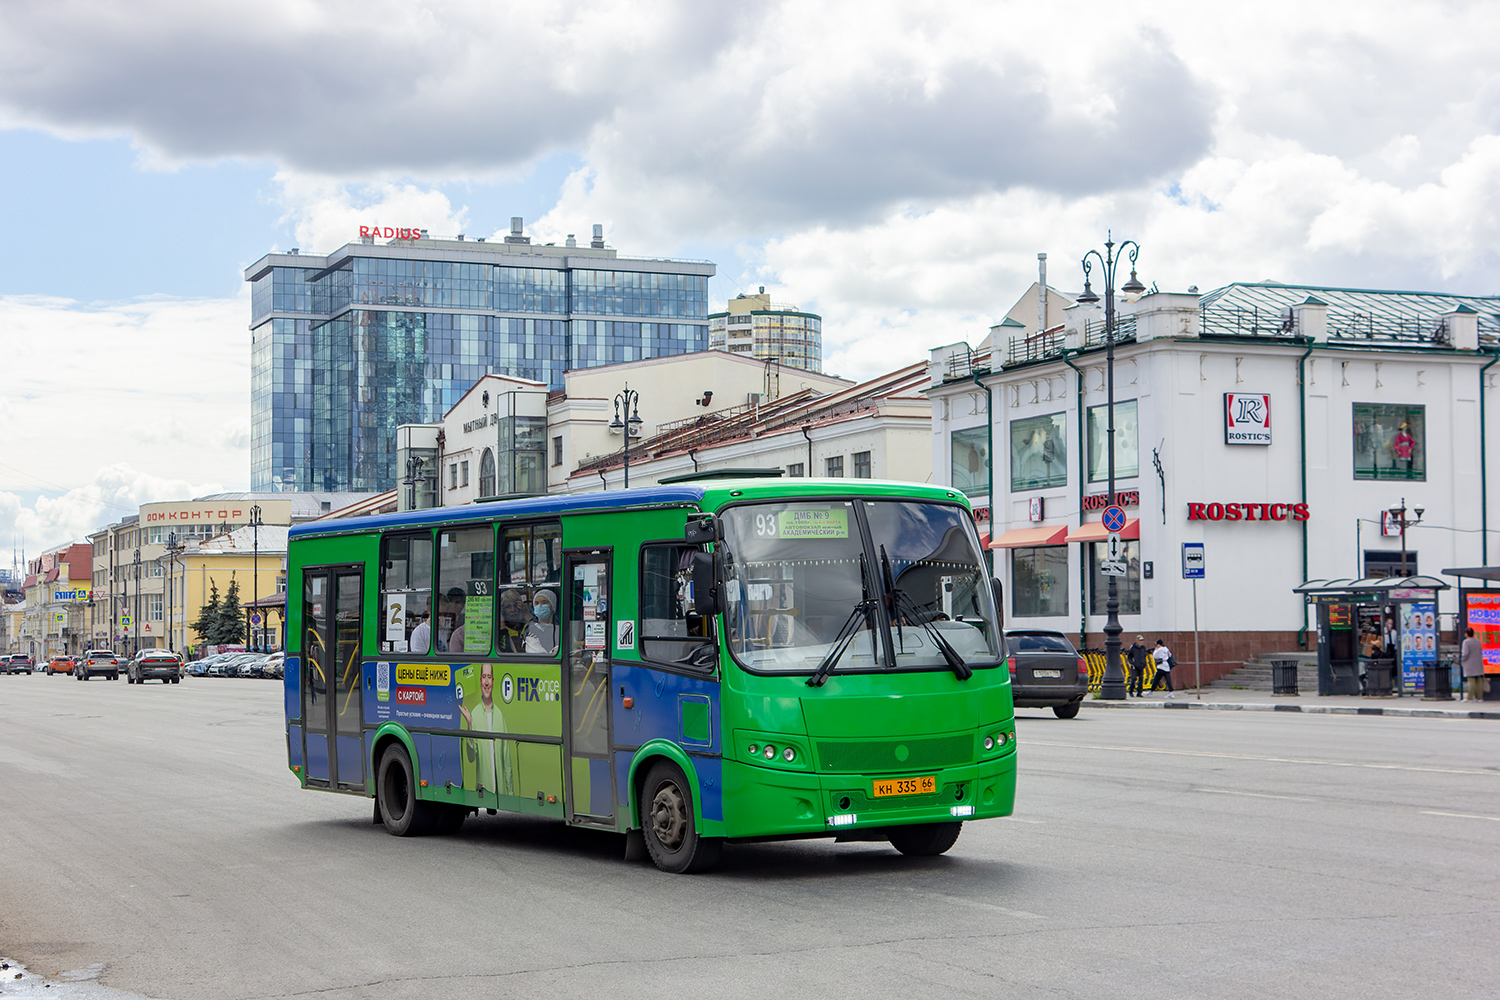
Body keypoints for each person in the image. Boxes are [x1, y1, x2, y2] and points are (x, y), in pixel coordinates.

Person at [459, 663, 515, 797]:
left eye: (489, 677)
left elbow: (507, 760)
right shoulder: (475, 714)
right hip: (483, 791)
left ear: (493, 681)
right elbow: (471, 757)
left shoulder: (500, 716)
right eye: (483, 676)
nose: (486, 682)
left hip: (500, 792)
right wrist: (470, 725)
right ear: (479, 681)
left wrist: (510, 792)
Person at [526, 589, 558, 655]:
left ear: (552, 605)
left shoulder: (561, 627)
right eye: (536, 603)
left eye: (544, 602)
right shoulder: (531, 628)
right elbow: (535, 652)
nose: (539, 606)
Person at [1461, 627, 1484, 702]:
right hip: (1478, 663)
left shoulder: (1466, 642)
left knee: (1471, 681)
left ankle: (1470, 698)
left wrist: (1462, 660)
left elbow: (1465, 653)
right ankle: (1480, 698)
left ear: (1466, 634)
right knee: (1479, 681)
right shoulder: (1477, 641)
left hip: (1470, 663)